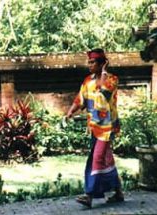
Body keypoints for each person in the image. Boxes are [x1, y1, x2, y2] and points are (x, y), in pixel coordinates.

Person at [66, 48, 124, 208]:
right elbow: (80, 99)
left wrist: (104, 72)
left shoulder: (112, 79)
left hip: (108, 127)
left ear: (102, 64)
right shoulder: (87, 81)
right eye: (89, 62)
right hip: (94, 126)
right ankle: (118, 192)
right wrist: (70, 111)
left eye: (93, 62)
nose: (90, 65)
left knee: (97, 158)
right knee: (106, 159)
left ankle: (89, 195)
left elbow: (104, 91)